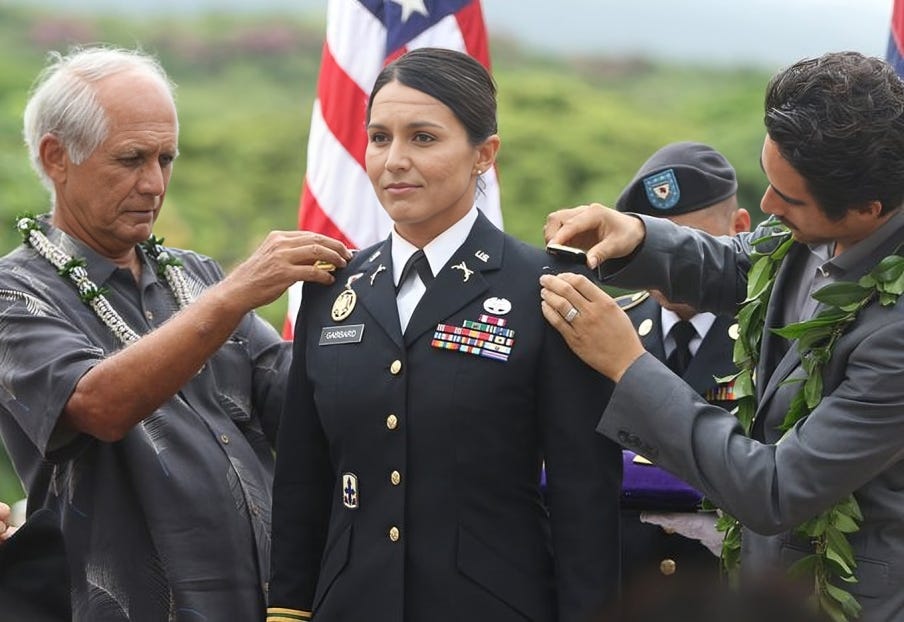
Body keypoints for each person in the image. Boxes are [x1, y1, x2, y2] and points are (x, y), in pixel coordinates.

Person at [540, 51, 904, 621]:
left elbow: (776, 488)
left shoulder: (896, 334)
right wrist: (635, 236)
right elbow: (742, 264)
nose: (765, 206)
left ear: (867, 209)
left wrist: (629, 366)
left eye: (789, 199)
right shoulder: (814, 224)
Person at [268, 47, 622, 622]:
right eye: (379, 137)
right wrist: (288, 611)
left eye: (423, 138)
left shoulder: (547, 288)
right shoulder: (330, 289)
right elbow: (304, 481)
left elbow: (585, 494)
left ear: (484, 154)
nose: (394, 160)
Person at [0, 46, 352, 621]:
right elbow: (99, 403)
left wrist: (404, 303)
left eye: (166, 159)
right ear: (56, 157)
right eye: (131, 158)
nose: (154, 183)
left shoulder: (193, 276)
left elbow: (299, 397)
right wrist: (235, 293)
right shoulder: (15, 292)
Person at [612, 142, 750, 590]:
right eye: (653, 244)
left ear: (740, 227)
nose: (667, 265)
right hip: (625, 591)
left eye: (687, 245)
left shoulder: (770, 334)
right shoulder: (609, 327)